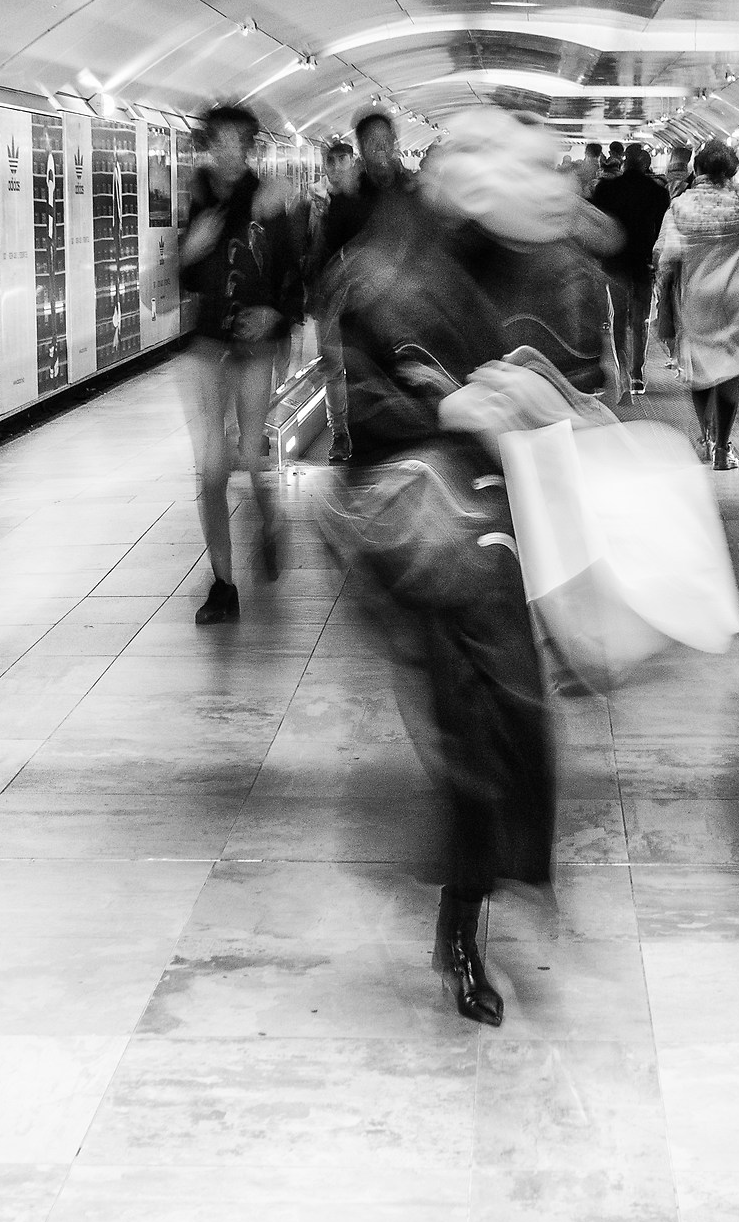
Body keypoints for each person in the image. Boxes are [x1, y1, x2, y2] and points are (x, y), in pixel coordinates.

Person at [333, 108, 611, 1027]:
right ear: (453, 169)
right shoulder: (389, 266)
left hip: (501, 522)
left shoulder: (528, 259)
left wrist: (536, 395)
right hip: (424, 529)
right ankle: (463, 925)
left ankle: (498, 881)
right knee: (472, 728)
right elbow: (365, 405)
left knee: (514, 715)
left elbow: (573, 364)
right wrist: (453, 412)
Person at [177, 103, 307, 624]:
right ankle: (223, 585)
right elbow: (183, 280)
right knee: (211, 471)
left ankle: (270, 521)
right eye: (221, 141)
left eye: (239, 142)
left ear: (250, 147)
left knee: (250, 456)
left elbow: (293, 273)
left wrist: (274, 311)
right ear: (211, 145)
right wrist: (191, 249)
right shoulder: (201, 202)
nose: (229, 151)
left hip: (254, 347)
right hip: (208, 345)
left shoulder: (269, 199)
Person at [653, 139, 739, 469]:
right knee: (730, 368)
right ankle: (723, 448)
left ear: (698, 168)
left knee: (700, 368)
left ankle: (704, 439)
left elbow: (667, 254)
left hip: (696, 295)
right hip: (737, 293)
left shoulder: (681, 204)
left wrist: (663, 290)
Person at [310, 112, 415, 464]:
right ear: (362, 151)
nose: (381, 151)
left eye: (386, 142)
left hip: (408, 319)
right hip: (361, 323)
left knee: (406, 399)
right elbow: (328, 258)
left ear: (395, 143)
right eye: (372, 145)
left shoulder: (414, 192)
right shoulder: (346, 200)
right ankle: (354, 448)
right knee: (365, 402)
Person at [590, 141, 672, 397]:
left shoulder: (606, 189)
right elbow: (661, 231)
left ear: (624, 162)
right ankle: (638, 375)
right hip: (644, 264)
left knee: (618, 319)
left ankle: (622, 369)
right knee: (640, 321)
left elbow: (598, 223)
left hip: (615, 263)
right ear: (647, 164)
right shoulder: (658, 193)